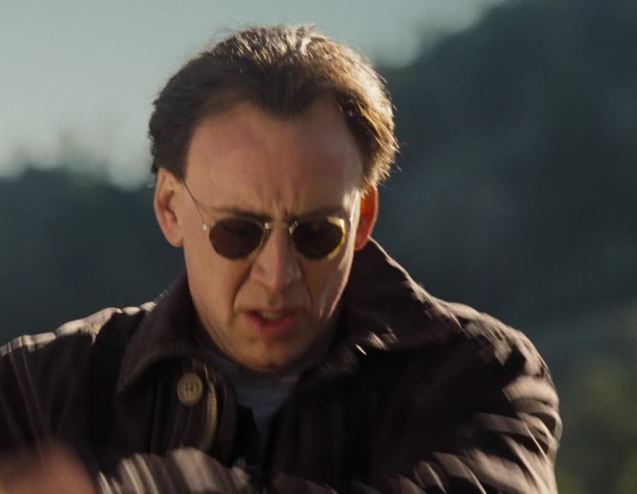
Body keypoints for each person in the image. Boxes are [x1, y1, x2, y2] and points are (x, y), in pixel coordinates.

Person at [0, 25, 561, 493]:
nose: (278, 275)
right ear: (170, 208)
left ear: (363, 217)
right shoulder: (40, 388)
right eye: (238, 232)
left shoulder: (480, 371)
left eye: (316, 233)